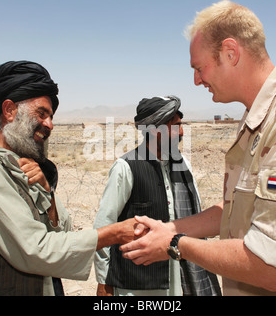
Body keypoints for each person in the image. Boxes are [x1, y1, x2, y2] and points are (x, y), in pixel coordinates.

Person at [120, 0, 276, 296]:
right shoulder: (260, 118)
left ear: (230, 53)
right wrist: (170, 228)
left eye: (199, 67)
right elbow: (236, 212)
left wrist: (174, 245)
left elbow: (270, 266)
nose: (196, 80)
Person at [0, 60, 137, 296]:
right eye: (41, 113)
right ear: (9, 110)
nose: (49, 124)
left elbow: (64, 232)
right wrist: (112, 234)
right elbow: (34, 249)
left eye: (51, 116)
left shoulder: (21, 166)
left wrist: (46, 193)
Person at [94, 96, 221, 296]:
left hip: (183, 276)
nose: (181, 132)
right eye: (175, 126)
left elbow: (196, 213)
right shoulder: (126, 167)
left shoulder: (183, 164)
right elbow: (104, 226)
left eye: (181, 125)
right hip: (138, 283)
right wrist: (103, 281)